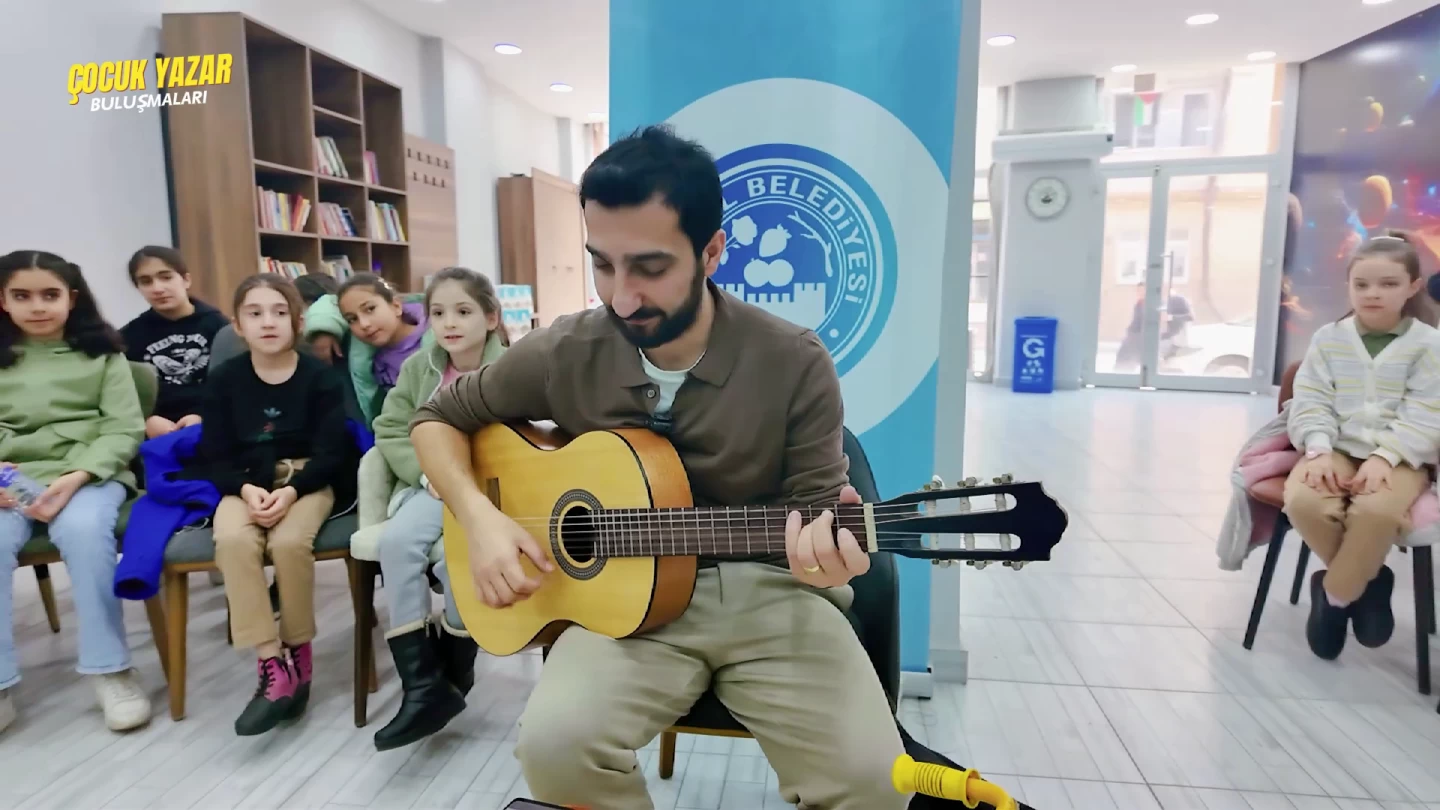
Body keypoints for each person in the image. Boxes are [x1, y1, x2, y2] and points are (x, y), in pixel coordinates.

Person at [410, 126, 906, 810]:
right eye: (602, 264)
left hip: (772, 593)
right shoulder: (567, 350)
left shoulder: (793, 360)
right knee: (554, 748)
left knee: (874, 782)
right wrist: (480, 518)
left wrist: (829, 561)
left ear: (712, 252)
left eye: (649, 267)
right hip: (621, 605)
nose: (621, 297)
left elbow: (819, 521)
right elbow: (435, 419)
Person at [0, 250, 151, 734]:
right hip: (11, 476)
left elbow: (124, 428)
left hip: (88, 473)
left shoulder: (104, 354)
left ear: (72, 298)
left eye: (50, 295)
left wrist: (79, 474)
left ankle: (111, 671)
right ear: (3, 300)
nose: (37, 306)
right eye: (22, 296)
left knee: (86, 533)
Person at [199, 273, 354, 736]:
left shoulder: (319, 377)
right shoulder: (223, 380)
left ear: (297, 322)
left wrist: (291, 491)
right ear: (237, 325)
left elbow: (333, 451)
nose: (268, 322)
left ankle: (299, 652)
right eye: (255, 313)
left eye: (279, 312)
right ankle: (272, 665)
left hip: (306, 481)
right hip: (245, 482)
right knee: (232, 540)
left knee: (288, 544)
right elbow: (215, 454)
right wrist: (246, 490)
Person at [369, 266, 508, 751]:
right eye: (439, 312)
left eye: (464, 311)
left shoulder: (511, 369)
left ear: (491, 317)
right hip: (430, 486)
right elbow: (390, 428)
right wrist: (424, 473)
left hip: (490, 493)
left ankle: (454, 675)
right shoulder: (419, 369)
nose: (450, 323)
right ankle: (422, 686)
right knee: (396, 542)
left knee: (457, 561)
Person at [1284, 232, 1440, 660]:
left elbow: (1428, 411)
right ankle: (1370, 585)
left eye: (1388, 284)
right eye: (1362, 284)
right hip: (1334, 447)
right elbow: (1310, 398)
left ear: (1413, 287)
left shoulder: (1429, 344)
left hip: (1402, 457)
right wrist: (1317, 449)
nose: (1373, 293)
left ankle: (1334, 597)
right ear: (1349, 286)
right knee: (1303, 501)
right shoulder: (1328, 339)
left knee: (1376, 511)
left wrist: (1385, 456)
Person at [120, 246, 229, 438]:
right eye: (146, 281)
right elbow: (121, 394)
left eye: (166, 277)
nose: (157, 288)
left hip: (215, 422)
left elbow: (234, 385)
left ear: (186, 280)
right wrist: (146, 420)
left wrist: (203, 416)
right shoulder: (128, 336)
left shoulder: (220, 327)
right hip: (156, 430)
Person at [302, 273, 431, 426]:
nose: (364, 324)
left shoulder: (439, 336)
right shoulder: (366, 355)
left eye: (370, 309)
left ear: (396, 306)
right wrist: (323, 328)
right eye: (352, 319)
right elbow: (328, 303)